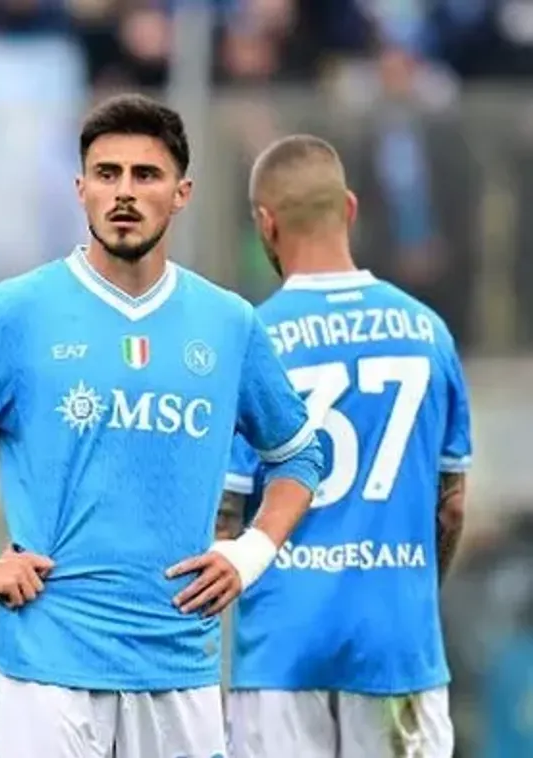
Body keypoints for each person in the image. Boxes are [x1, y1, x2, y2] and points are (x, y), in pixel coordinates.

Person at [0, 93, 325, 758]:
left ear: (181, 193)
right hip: (48, 666)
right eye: (106, 173)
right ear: (81, 188)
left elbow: (298, 455)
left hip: (179, 664)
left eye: (145, 175)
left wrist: (249, 553)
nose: (124, 192)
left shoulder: (228, 323)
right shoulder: (16, 311)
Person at [221, 134, 471, 758]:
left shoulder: (253, 341)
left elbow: (226, 516)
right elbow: (451, 507)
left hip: (283, 651)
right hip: (397, 649)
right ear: (351, 208)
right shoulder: (428, 332)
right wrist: (411, 591)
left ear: (265, 223)